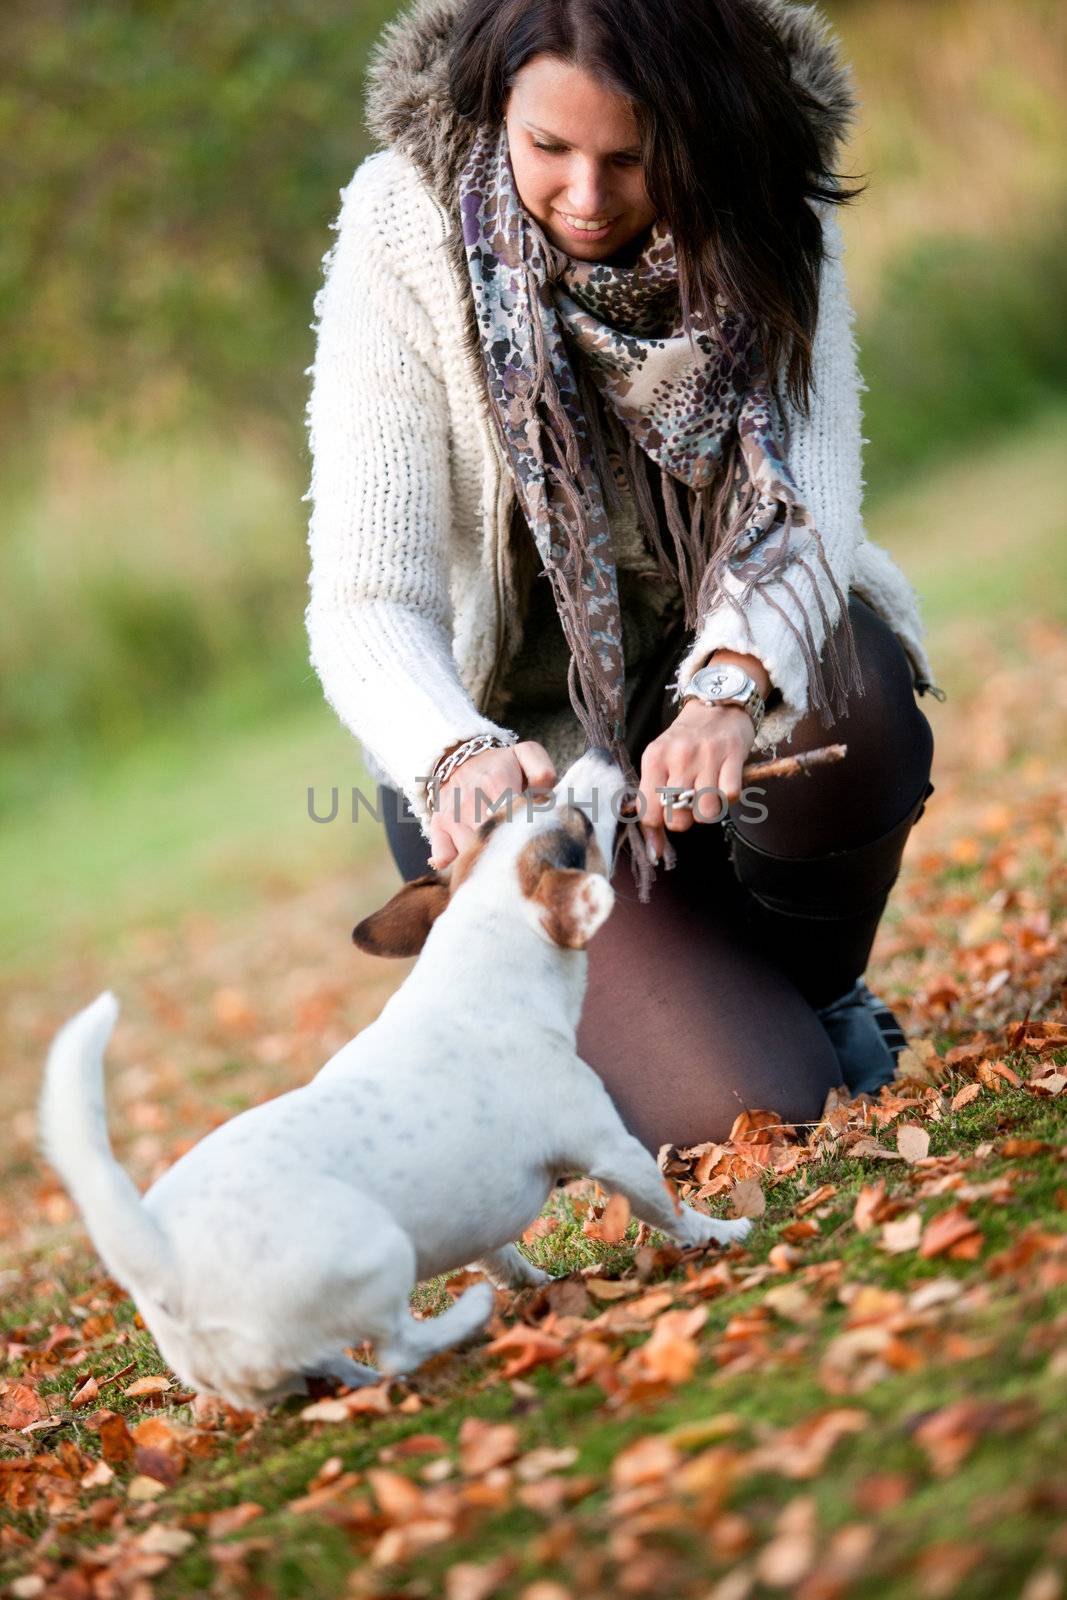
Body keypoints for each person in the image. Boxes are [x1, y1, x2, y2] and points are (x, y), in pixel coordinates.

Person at [304, 0, 943, 1153]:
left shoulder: (768, 205)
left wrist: (730, 688)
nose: (585, 200)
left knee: (846, 684)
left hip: (713, 716)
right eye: (547, 149)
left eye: (629, 159)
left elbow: (806, 510)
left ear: (697, 134)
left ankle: (808, 980)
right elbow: (365, 600)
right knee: (750, 1114)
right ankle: (726, 1006)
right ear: (498, 104)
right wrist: (452, 751)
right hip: (519, 767)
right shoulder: (400, 229)